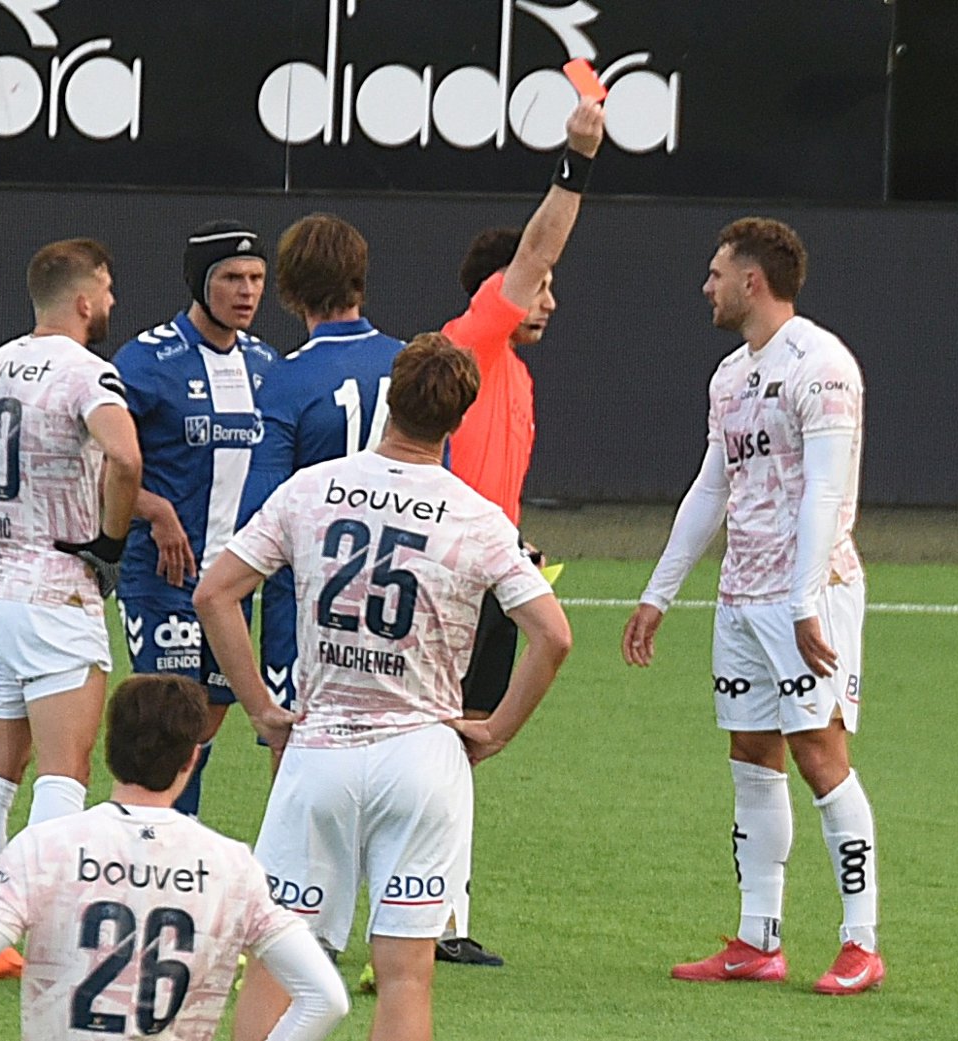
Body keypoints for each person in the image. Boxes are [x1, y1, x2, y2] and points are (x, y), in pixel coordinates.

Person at [194, 334, 574, 1041]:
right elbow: (553, 635)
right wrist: (495, 730)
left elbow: (215, 593)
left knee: (279, 957)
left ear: (391, 399)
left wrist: (261, 709)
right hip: (423, 757)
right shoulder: (476, 516)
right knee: (405, 974)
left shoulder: (312, 488)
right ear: (459, 417)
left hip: (320, 749)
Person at [620, 217, 882, 995]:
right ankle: (758, 937)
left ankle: (860, 941)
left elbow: (827, 491)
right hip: (740, 595)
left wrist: (803, 599)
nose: (706, 286)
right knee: (751, 754)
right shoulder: (731, 375)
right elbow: (712, 488)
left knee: (820, 755)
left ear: (752, 281)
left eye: (716, 273)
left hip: (810, 593)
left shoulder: (822, 366)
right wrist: (659, 591)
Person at [0, 238, 144, 980]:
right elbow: (126, 458)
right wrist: (110, 542)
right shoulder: (86, 373)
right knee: (64, 769)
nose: (112, 302)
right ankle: (48, 932)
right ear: (83, 299)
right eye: (107, 289)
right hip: (55, 592)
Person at [0, 674, 351, 1041]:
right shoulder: (232, 866)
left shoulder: (43, 848)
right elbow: (326, 998)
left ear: (110, 748)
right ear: (191, 758)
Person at [429, 93, 604, 968]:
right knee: (437, 739)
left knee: (462, 739)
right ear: (499, 292)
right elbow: (537, 248)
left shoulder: (518, 377)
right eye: (541, 288)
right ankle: (424, 913)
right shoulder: (474, 341)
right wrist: (576, 161)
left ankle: (443, 912)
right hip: (445, 576)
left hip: (493, 573)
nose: (551, 300)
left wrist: (518, 547)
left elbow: (493, 480)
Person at [111, 220, 278, 818]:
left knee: (206, 724)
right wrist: (153, 509)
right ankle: (152, 836)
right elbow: (98, 461)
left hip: (233, 584)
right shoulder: (146, 361)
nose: (247, 291)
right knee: (167, 722)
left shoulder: (266, 364)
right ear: (199, 283)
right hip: (163, 578)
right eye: (231, 277)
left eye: (256, 278)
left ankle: (175, 830)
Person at [239, 213, 407, 753]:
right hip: (399, 597)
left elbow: (261, 512)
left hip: (311, 602)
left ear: (289, 289)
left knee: (295, 754)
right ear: (359, 276)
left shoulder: (285, 381)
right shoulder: (410, 363)